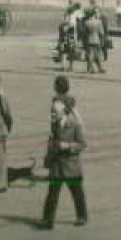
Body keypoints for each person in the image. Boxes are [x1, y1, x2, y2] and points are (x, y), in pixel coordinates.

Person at [38, 95, 88, 229]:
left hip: (71, 166)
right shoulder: (54, 124)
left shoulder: (74, 124)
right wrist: (47, 159)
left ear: (63, 112)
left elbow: (83, 144)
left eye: (54, 112)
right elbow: (51, 143)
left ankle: (82, 216)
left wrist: (68, 146)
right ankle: (48, 220)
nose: (52, 114)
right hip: (57, 166)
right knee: (52, 194)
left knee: (77, 193)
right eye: (51, 112)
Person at [82, 9, 107, 74]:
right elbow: (101, 33)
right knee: (97, 55)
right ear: (93, 15)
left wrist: (84, 41)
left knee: (90, 55)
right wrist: (102, 41)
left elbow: (84, 33)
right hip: (97, 40)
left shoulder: (86, 22)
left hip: (89, 40)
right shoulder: (99, 22)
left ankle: (92, 68)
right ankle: (99, 68)